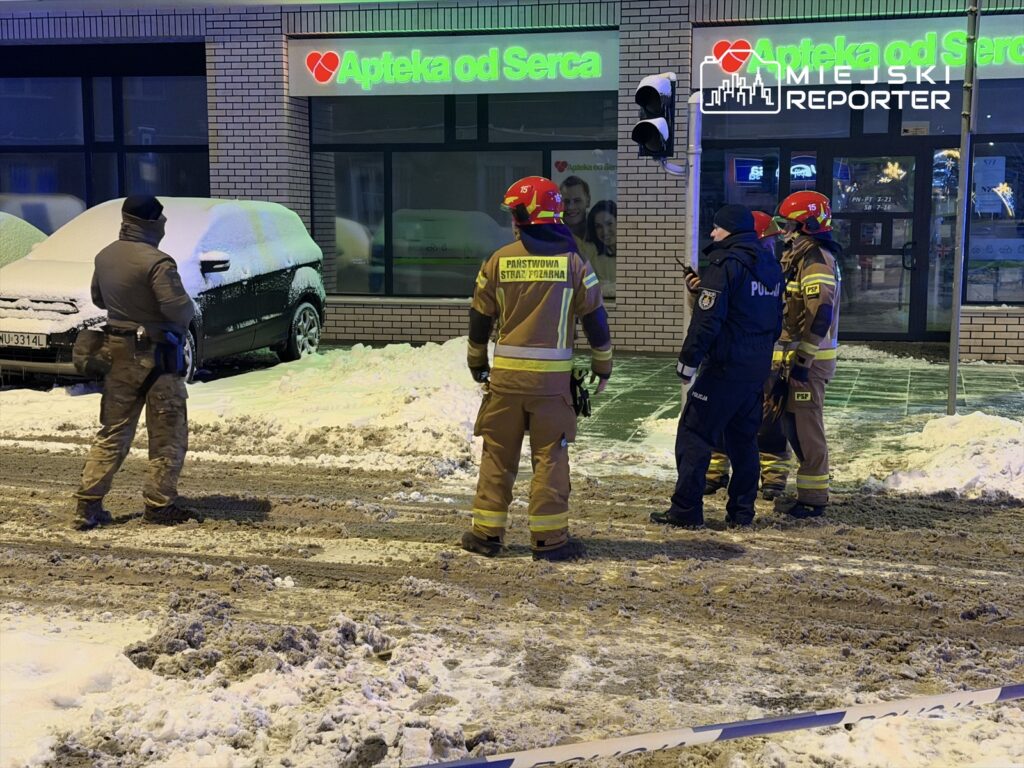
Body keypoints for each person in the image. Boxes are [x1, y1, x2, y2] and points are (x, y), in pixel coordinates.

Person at [463, 176, 612, 561]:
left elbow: (480, 317)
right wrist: (603, 364)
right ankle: (549, 541)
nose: (512, 221)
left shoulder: (498, 260)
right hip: (551, 386)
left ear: (525, 216)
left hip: (506, 382)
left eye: (514, 214)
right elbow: (595, 318)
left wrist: (477, 361)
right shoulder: (574, 263)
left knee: (497, 455)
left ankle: (486, 535)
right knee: (550, 457)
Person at [651, 204, 782, 529]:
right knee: (744, 440)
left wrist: (688, 361)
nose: (712, 233)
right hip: (755, 369)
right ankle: (742, 512)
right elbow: (771, 319)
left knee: (694, 433)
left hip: (723, 369)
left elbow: (707, 320)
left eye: (716, 227)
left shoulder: (724, 264)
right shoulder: (769, 265)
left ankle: (685, 511)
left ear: (731, 230)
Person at [74, 195, 195, 530]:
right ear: (153, 223)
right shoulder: (158, 262)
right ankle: (159, 505)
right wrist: (186, 313)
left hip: (116, 354)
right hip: (158, 357)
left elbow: (99, 298)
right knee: (168, 433)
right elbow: (176, 308)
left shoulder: (105, 255)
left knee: (113, 431)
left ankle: (87, 504)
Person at [700, 210, 791, 500]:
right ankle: (715, 471)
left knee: (770, 423)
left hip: (771, 356)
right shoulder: (736, 268)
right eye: (769, 242)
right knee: (724, 416)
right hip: (739, 357)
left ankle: (773, 476)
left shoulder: (778, 269)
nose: (773, 247)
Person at [770, 191, 842, 519]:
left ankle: (813, 499)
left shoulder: (815, 260)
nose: (784, 232)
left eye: (788, 225)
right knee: (793, 426)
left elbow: (820, 314)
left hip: (809, 364)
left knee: (806, 429)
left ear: (807, 226)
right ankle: (808, 492)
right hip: (798, 361)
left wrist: (802, 363)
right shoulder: (800, 257)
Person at [559, 175, 598, 263]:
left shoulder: (600, 229)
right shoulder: (554, 233)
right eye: (566, 201)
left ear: (588, 201)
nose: (571, 207)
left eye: (577, 201)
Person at [585, 199, 617, 298]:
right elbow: (588, 288)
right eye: (598, 226)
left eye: (609, 224)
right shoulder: (593, 257)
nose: (605, 231)